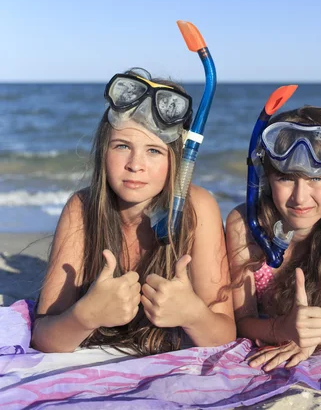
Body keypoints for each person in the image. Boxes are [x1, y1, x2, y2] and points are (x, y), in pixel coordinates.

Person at [32, 68, 235, 355]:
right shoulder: (82, 209)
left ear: (177, 159)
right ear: (103, 150)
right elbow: (44, 337)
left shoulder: (197, 208)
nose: (135, 164)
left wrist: (195, 316)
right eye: (122, 146)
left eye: (154, 150)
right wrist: (84, 316)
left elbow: (225, 333)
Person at [226, 104, 321, 372]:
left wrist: (312, 336)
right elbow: (241, 321)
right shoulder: (245, 227)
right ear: (266, 178)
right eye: (286, 178)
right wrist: (283, 329)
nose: (300, 197)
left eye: (316, 178)